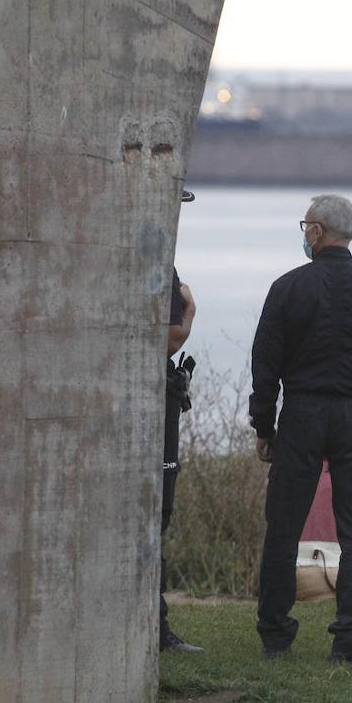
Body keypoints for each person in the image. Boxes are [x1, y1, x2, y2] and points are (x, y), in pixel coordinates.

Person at [249, 193, 352, 665]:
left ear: (317, 232)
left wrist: (264, 425)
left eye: (305, 226)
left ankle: (276, 636)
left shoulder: (287, 287)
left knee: (283, 527)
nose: (304, 233)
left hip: (300, 413)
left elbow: (266, 367)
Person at [158, 188, 201, 653]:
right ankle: (158, 628)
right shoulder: (161, 269)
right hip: (155, 410)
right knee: (157, 517)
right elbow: (169, 340)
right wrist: (189, 314)